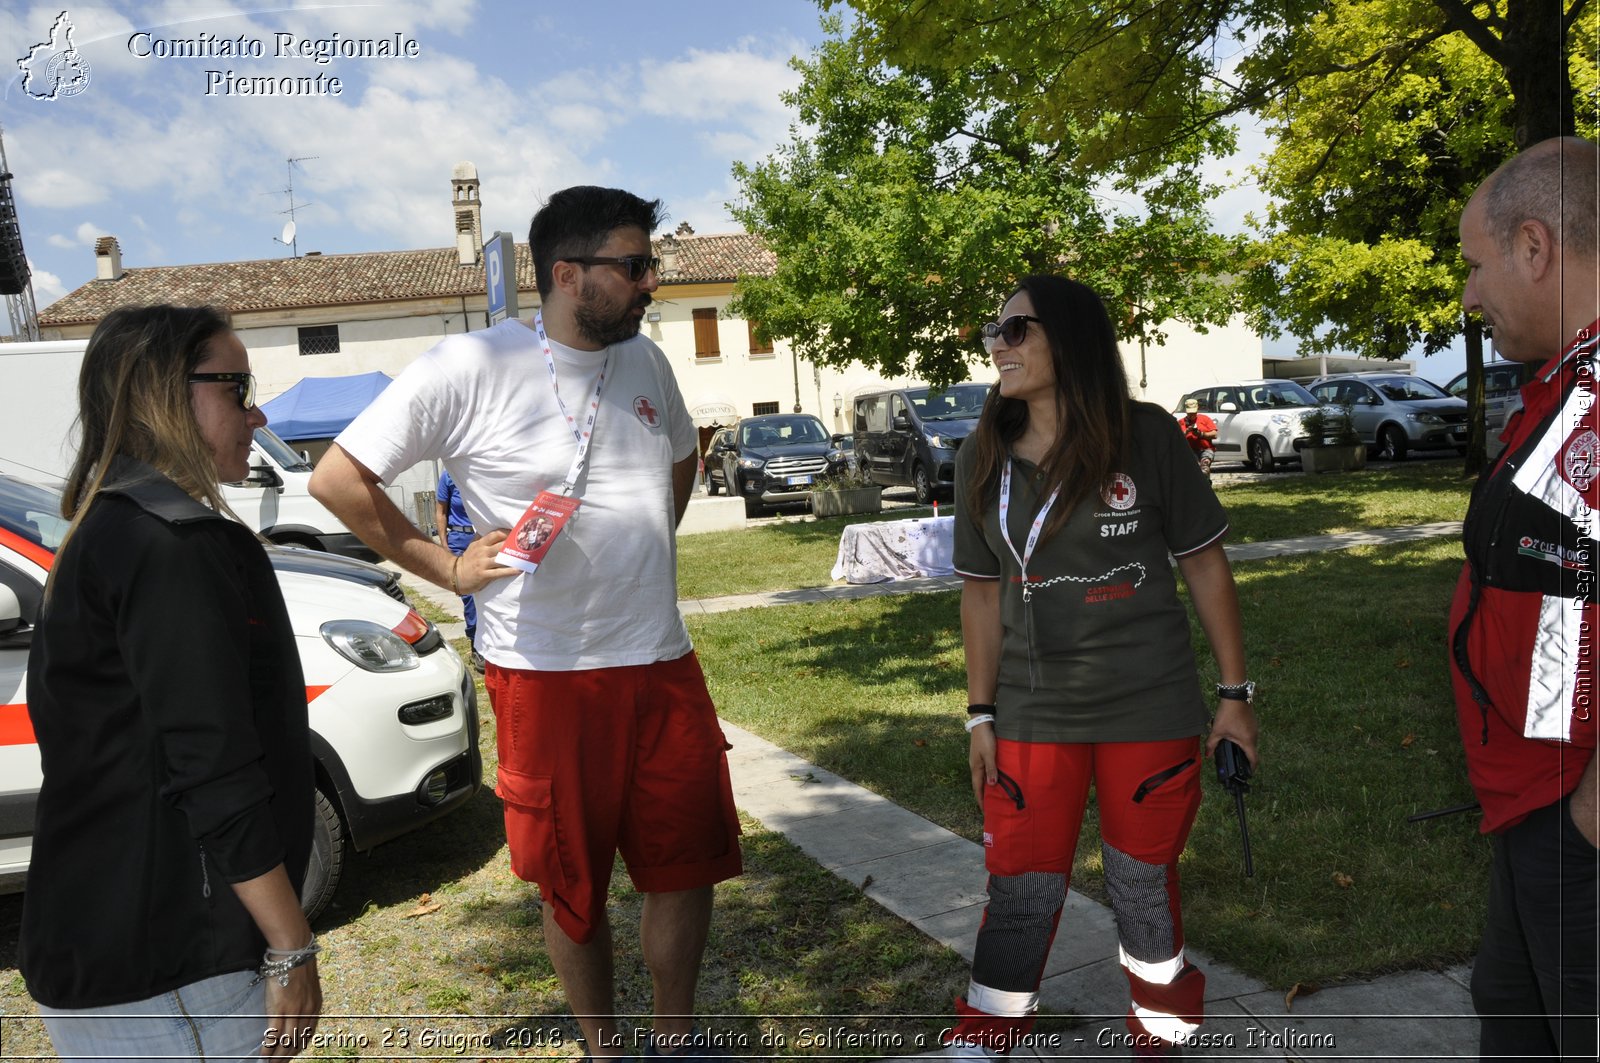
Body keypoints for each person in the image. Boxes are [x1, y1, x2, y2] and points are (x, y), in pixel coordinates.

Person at [309, 186, 742, 1060]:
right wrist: (449, 567)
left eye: (649, 263)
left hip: (661, 659)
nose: (651, 282)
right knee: (572, 884)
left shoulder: (647, 363)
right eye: (634, 265)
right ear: (567, 273)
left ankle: (677, 1040)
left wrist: (643, 542)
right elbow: (337, 480)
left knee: (686, 862)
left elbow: (683, 460)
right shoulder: (469, 364)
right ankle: (603, 1050)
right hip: (544, 674)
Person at [944, 275, 1258, 1060]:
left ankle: (1162, 1035)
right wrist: (980, 713)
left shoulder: (1146, 437)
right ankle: (986, 1035)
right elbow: (980, 598)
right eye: (994, 329)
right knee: (1021, 885)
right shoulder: (982, 453)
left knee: (1142, 887)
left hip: (1148, 708)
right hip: (1029, 714)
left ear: (1071, 339)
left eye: (1016, 329)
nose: (997, 344)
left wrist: (1234, 696)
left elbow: (1206, 567)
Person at [20, 305, 321, 1060]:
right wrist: (290, 942)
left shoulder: (113, 527)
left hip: (123, 947)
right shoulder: (167, 543)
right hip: (170, 964)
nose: (255, 411)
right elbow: (212, 763)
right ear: (164, 392)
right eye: (236, 385)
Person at [1451, 136, 1599, 1060]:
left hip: (1578, 818)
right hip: (1538, 798)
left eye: (1476, 264)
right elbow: (1563, 582)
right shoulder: (1564, 384)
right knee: (1512, 1011)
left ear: (1535, 247)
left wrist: (1587, 807)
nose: (1469, 295)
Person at [434, 468, 484, 672]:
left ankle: (490, 643)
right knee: (470, 597)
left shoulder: (483, 472)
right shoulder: (448, 476)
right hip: (459, 542)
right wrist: (444, 545)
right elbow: (441, 511)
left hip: (483, 539)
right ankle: (477, 646)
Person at [1176, 398, 1217, 477]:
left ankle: (1206, 484)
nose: (1192, 415)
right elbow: (1177, 439)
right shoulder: (1181, 422)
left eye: (1193, 413)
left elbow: (1214, 434)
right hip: (1190, 451)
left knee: (1205, 467)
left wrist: (1201, 434)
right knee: (1196, 469)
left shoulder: (1205, 419)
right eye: (1189, 413)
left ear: (1197, 409)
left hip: (1206, 449)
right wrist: (1187, 431)